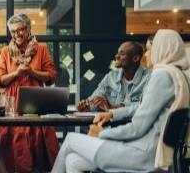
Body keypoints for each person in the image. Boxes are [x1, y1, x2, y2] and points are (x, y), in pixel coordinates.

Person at [51, 29, 190, 172]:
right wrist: (112, 114)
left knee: (70, 140)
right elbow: (142, 107)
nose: (147, 55)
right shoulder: (179, 76)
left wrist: (101, 133)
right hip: (150, 151)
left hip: (142, 153)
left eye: (149, 50)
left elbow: (137, 128)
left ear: (163, 49)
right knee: (73, 161)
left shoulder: (162, 75)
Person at [0, 13, 59, 172]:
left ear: (28, 29)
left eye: (20, 30)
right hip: (13, 104)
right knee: (13, 147)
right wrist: (16, 73)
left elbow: (51, 76)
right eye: (13, 31)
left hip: (36, 102)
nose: (17, 34)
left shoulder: (41, 49)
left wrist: (31, 72)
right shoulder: (5, 52)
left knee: (38, 145)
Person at [76, 41, 152, 112]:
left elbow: (144, 107)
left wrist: (111, 108)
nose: (116, 56)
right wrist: (87, 106)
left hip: (135, 126)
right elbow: (95, 98)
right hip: (110, 125)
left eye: (122, 54)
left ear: (135, 58)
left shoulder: (149, 78)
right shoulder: (111, 77)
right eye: (117, 53)